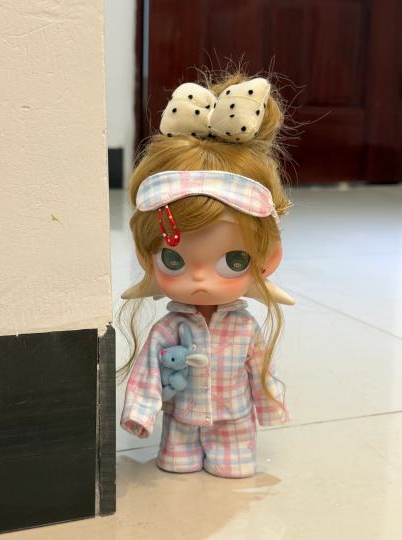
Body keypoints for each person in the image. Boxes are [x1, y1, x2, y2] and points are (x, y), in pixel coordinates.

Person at [119, 71, 294, 478]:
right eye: (174, 260)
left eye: (233, 261)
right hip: (179, 417)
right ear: (147, 258)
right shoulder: (168, 329)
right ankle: (181, 452)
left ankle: (230, 453)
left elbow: (260, 370)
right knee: (176, 463)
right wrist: (141, 411)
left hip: (235, 416)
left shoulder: (246, 330)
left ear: (267, 259)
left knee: (234, 466)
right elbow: (147, 372)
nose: (200, 281)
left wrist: (269, 405)